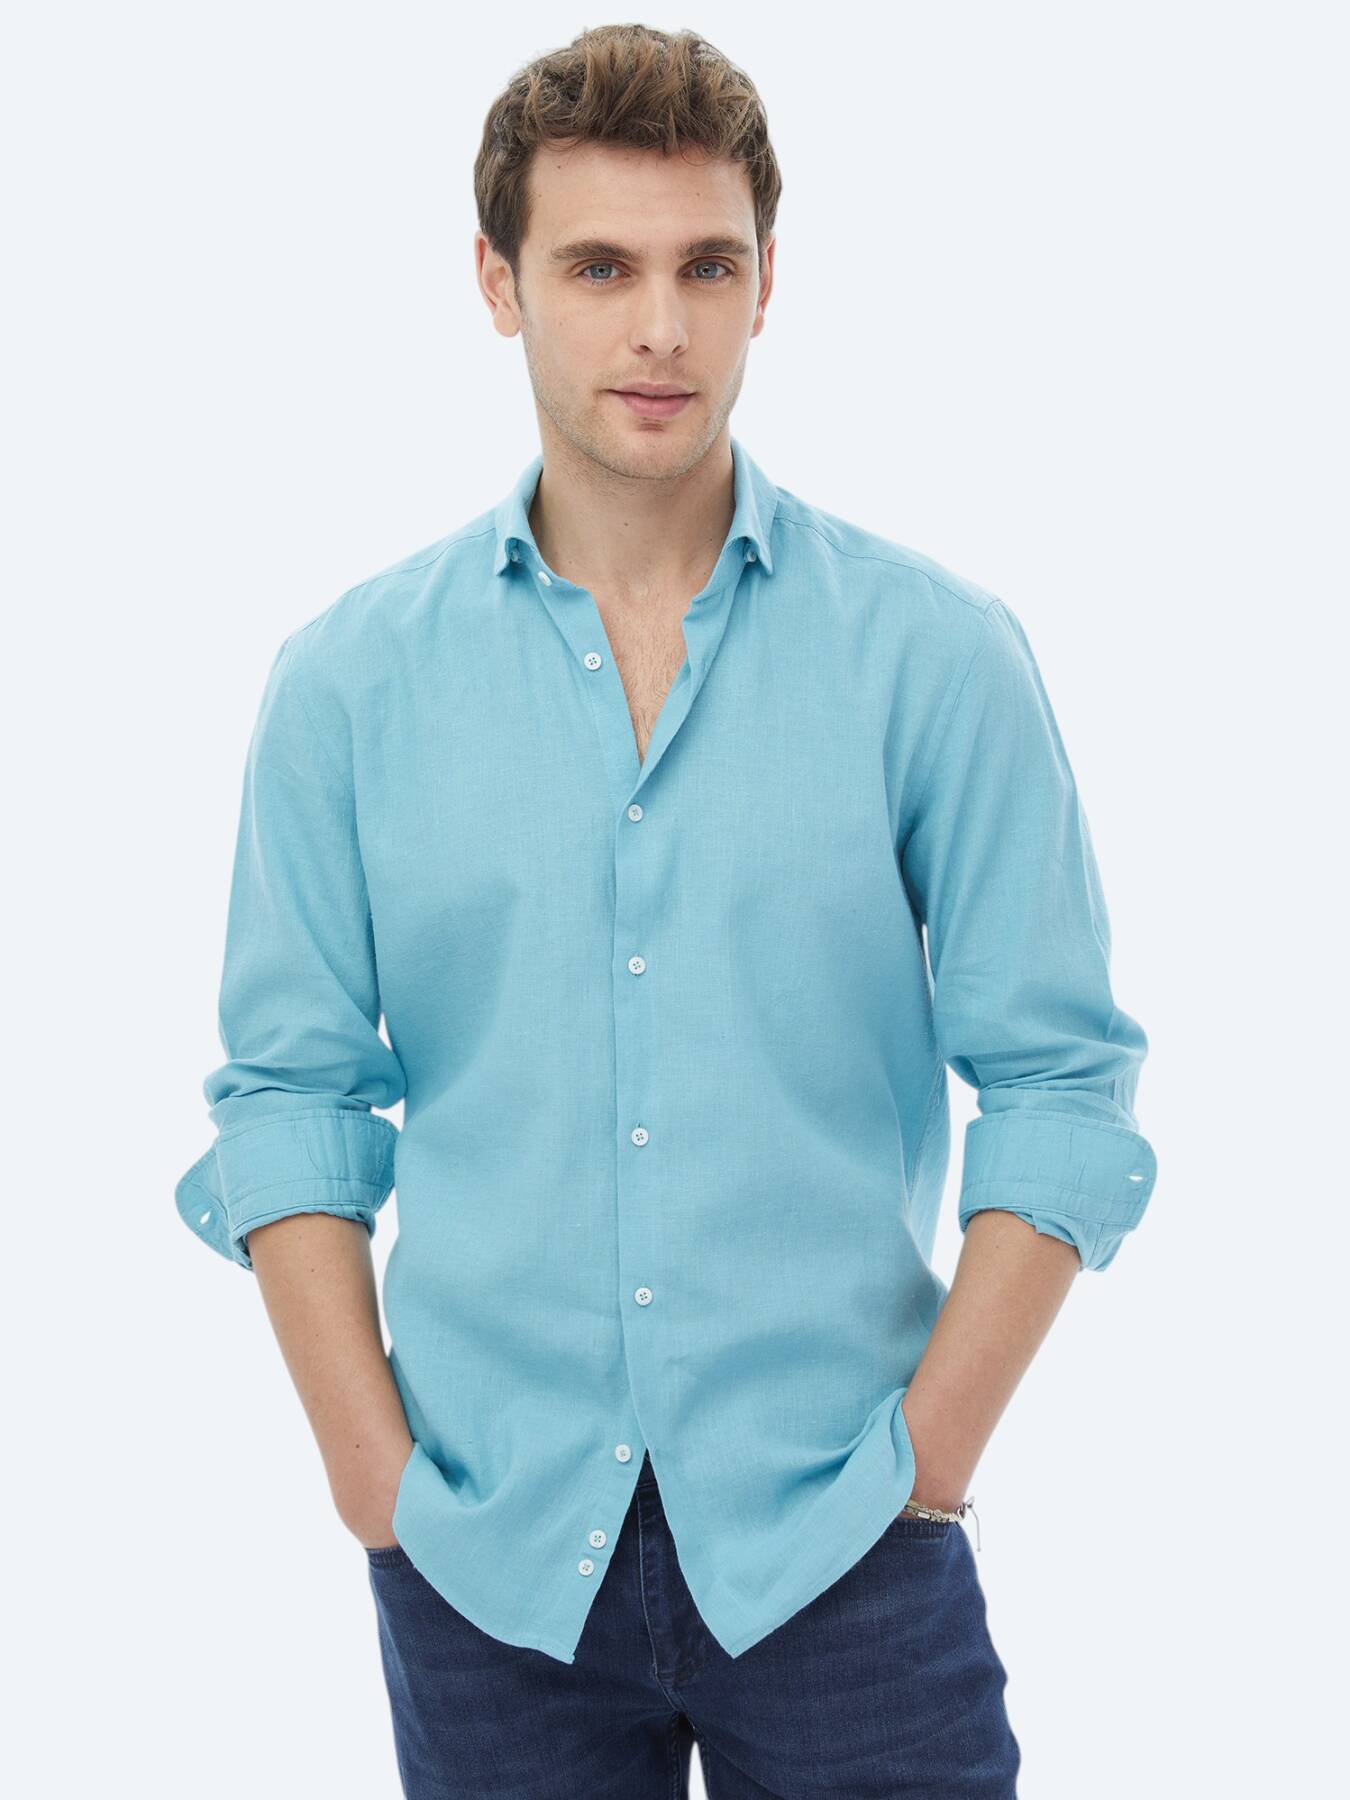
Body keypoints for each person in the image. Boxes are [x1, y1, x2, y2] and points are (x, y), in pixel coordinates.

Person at [175, 23, 1156, 1797]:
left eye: (707, 266)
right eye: (598, 269)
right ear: (497, 283)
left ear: (768, 281)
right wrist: (371, 1479)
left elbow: (1060, 1087)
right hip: (485, 1560)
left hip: (842, 1542)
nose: (660, 329)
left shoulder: (933, 658)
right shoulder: (346, 686)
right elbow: (291, 1097)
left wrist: (925, 1461)